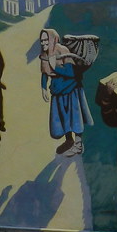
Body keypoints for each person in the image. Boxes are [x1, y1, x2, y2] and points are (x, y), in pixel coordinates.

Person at [39, 28, 94, 156]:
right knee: (62, 117)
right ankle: (69, 141)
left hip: (70, 89)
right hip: (57, 91)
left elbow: (70, 73)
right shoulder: (45, 54)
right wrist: (43, 87)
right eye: (42, 41)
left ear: (53, 39)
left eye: (46, 40)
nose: (44, 43)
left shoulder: (62, 51)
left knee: (74, 117)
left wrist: (55, 67)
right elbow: (44, 73)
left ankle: (78, 144)